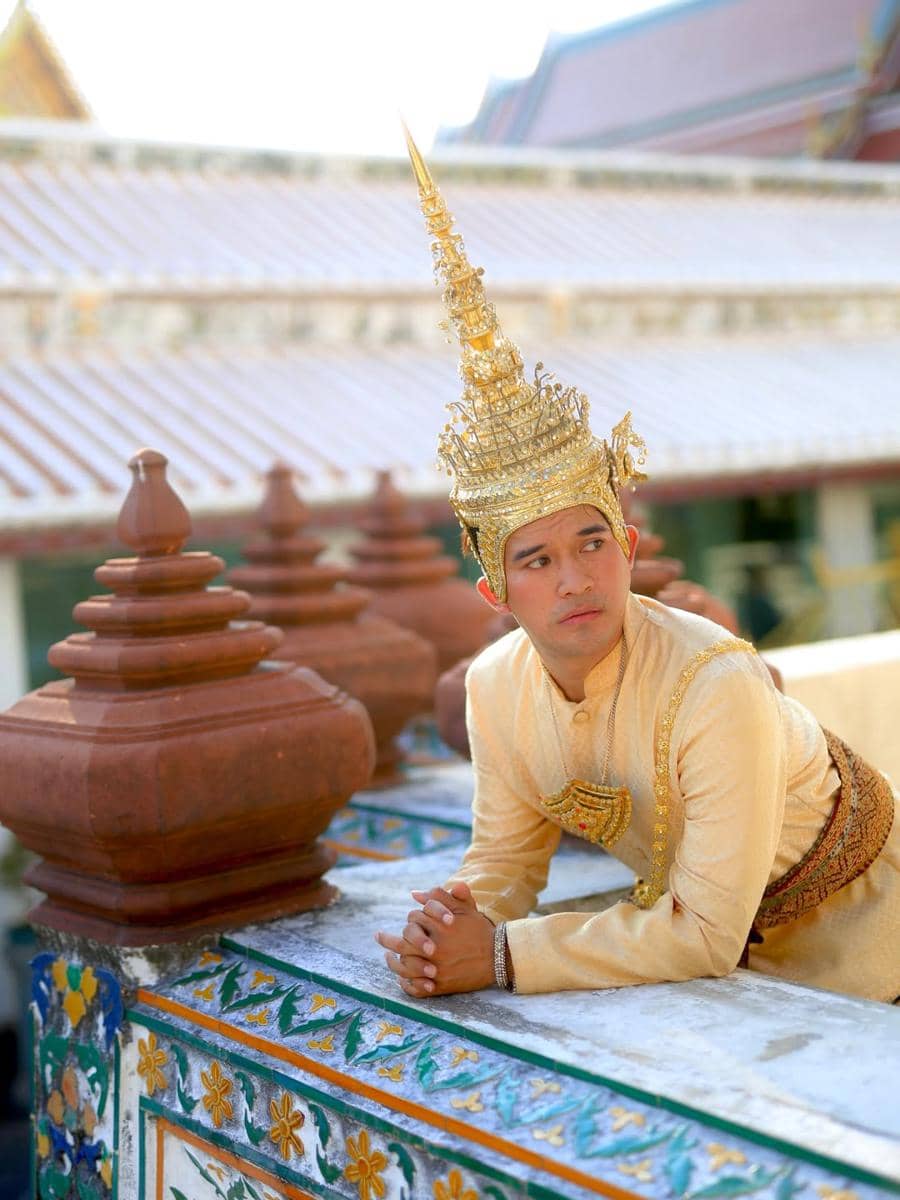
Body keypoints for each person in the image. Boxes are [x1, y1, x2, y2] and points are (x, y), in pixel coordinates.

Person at [375, 132, 898, 1004]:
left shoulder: (711, 677)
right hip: (708, 935)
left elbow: (702, 932)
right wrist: (450, 930)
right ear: (496, 592)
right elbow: (506, 863)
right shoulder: (494, 687)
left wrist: (500, 959)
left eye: (592, 543)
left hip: (863, 922)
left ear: (625, 547)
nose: (575, 577)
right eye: (536, 560)